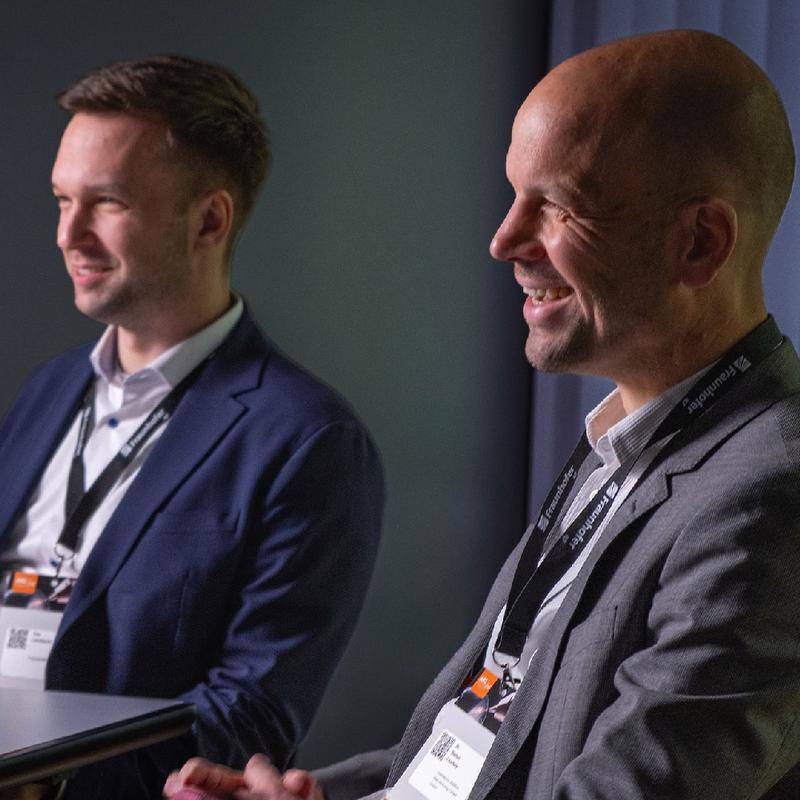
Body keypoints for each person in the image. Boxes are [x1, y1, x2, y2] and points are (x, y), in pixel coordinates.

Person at [165, 28, 800, 800]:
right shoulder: (626, 447)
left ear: (699, 243)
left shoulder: (769, 494)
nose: (503, 240)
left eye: (558, 206)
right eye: (512, 194)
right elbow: (482, 745)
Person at [0, 55, 384, 799]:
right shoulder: (48, 390)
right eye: (60, 200)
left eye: (105, 204)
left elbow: (251, 715)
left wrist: (35, 777)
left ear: (210, 219)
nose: (68, 235)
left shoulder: (308, 441)